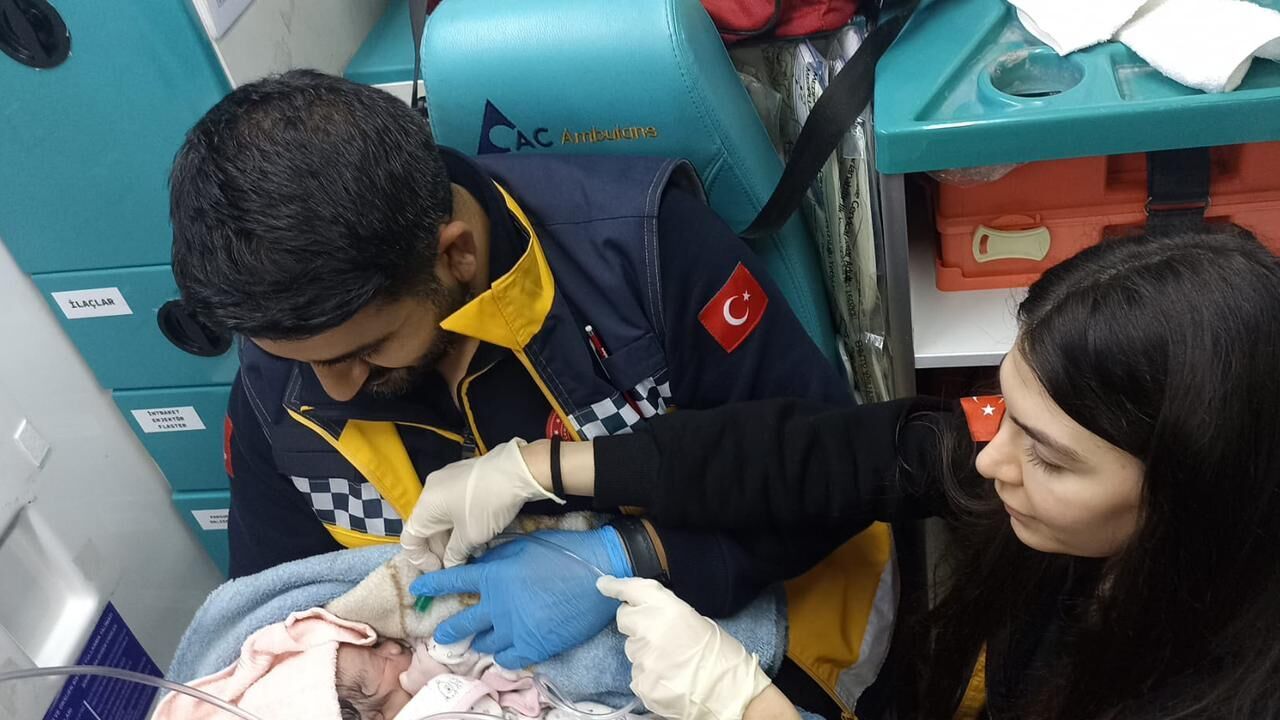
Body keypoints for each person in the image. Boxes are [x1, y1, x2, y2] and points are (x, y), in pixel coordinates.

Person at [169, 69, 878, 707]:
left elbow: (834, 481)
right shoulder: (280, 386)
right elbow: (277, 627)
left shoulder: (642, 256)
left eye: (366, 351)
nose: (334, 388)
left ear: (456, 255)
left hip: (745, 648)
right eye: (301, 361)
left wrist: (633, 552)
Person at [409, 226, 1280, 719]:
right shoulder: (1038, 472)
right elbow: (816, 454)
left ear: (1190, 495)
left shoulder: (1223, 692)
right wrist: (541, 468)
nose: (989, 460)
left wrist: (745, 706)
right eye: (1001, 409)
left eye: (1048, 456)